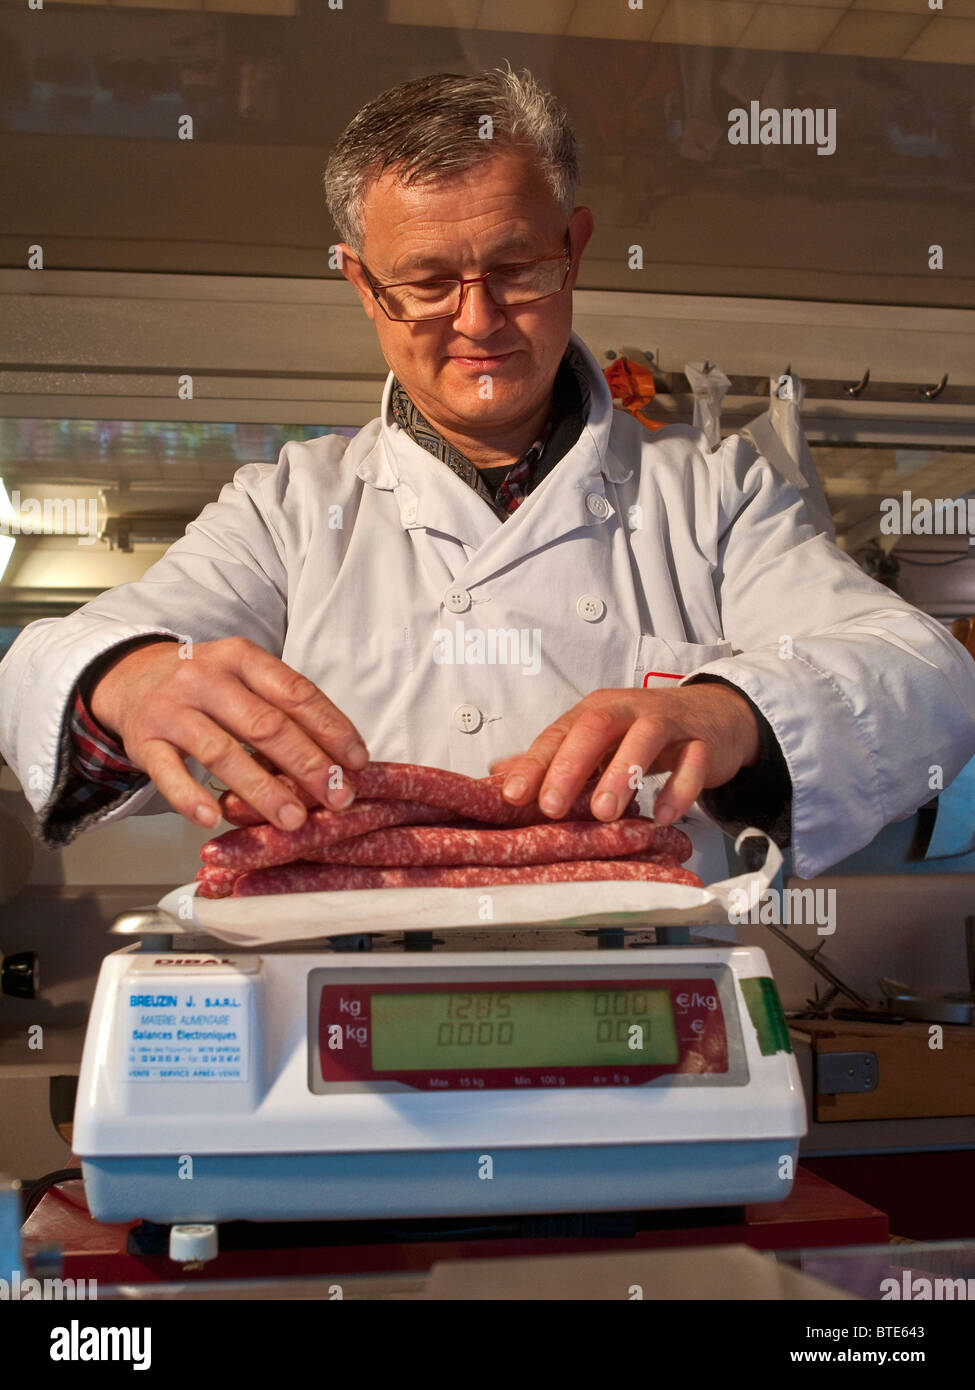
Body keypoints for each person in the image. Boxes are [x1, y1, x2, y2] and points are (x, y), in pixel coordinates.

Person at [1, 65, 974, 882]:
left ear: (574, 249)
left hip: (644, 1024)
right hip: (350, 1030)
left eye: (516, 267)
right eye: (427, 281)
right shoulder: (287, 509)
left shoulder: (715, 496)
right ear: (361, 284)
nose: (478, 321)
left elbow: (930, 678)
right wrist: (128, 682)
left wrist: (724, 711)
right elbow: (44, 665)